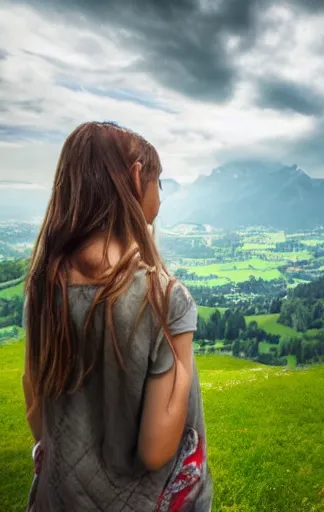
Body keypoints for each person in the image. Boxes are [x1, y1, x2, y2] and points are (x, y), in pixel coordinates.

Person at [21, 121, 213, 511]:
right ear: (137, 176)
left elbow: (39, 420)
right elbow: (157, 450)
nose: (161, 196)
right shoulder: (164, 299)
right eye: (159, 182)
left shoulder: (43, 289)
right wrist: (180, 353)